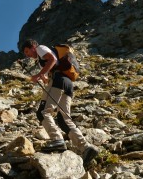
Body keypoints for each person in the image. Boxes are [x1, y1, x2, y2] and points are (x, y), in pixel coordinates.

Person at [21, 39, 100, 167]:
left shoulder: (41, 48)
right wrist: (44, 77)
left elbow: (52, 60)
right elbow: (51, 69)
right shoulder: (41, 59)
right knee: (63, 119)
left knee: (42, 112)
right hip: (67, 83)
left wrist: (39, 74)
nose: (27, 55)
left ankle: (57, 139)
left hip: (58, 81)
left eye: (27, 51)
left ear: (33, 46)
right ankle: (86, 147)